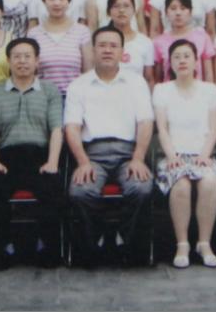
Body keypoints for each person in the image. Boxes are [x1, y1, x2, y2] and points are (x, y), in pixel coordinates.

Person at [65, 27, 154, 268]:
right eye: (102, 45)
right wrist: (83, 162)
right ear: (93, 50)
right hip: (92, 155)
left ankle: (129, 247)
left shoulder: (136, 82)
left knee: (142, 188)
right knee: (80, 192)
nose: (107, 50)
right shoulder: (79, 85)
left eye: (113, 46)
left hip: (129, 154)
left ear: (122, 52)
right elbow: (72, 127)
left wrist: (138, 158)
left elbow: (145, 122)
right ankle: (94, 246)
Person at [0, 37, 64, 270]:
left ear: (37, 61)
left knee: (52, 186)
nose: (22, 61)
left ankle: (47, 248)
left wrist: (52, 162)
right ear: (8, 61)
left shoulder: (50, 91)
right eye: (16, 56)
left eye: (28, 56)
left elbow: (56, 129)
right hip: (6, 157)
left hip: (40, 156)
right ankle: (1, 250)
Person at [153, 39, 216, 269]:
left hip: (202, 154)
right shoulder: (162, 90)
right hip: (173, 155)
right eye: (176, 57)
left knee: (209, 181)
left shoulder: (209, 90)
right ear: (170, 63)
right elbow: (162, 129)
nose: (182, 61)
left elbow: (213, 129)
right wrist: (172, 156)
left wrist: (205, 155)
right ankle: (182, 244)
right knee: (181, 185)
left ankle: (204, 244)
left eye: (187, 56)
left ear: (196, 61)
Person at [28, 0, 93, 94]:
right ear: (43, 1)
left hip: (73, 97)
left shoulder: (82, 32)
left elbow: (88, 71)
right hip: (43, 97)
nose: (57, 3)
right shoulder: (33, 34)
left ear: (69, 1)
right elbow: (31, 73)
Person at [153, 0, 215, 85]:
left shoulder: (202, 37)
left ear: (190, 12)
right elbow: (158, 77)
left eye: (183, 8)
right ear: (166, 12)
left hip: (197, 91)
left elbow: (208, 74)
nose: (178, 13)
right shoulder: (158, 42)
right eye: (173, 8)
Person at [107, 0, 155, 86]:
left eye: (126, 6)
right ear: (108, 11)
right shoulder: (100, 41)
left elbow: (149, 79)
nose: (121, 10)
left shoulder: (145, 42)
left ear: (134, 10)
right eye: (116, 6)